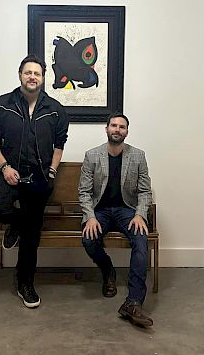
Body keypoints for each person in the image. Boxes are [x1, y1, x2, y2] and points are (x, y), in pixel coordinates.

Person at [0, 55, 69, 308]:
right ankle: (17, 224)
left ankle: (25, 283)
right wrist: (5, 166)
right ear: (20, 75)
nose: (32, 77)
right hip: (10, 173)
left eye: (37, 73)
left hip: (40, 178)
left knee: (32, 236)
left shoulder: (54, 109)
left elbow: (59, 143)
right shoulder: (2, 105)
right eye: (28, 72)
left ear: (43, 78)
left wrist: (52, 171)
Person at [78, 113, 153, 327]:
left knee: (141, 239)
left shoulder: (138, 156)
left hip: (126, 209)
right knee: (88, 239)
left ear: (127, 132)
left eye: (121, 126)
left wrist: (140, 214)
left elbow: (145, 191)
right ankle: (107, 269)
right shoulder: (92, 155)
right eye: (113, 125)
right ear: (107, 129)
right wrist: (90, 216)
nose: (117, 129)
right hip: (100, 210)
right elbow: (83, 192)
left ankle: (134, 302)